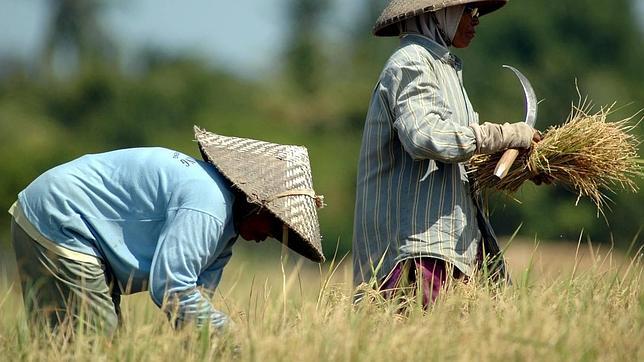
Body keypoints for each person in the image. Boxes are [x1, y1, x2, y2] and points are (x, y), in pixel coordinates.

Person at [9, 127, 325, 335]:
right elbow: (171, 289)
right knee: (94, 343)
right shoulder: (207, 206)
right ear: (255, 203)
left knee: (91, 343)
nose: (265, 237)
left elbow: (191, 312)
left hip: (71, 228)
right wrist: (237, 338)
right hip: (60, 218)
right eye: (272, 225)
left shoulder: (225, 234)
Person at [352, 0, 540, 306]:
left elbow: (463, 156)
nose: (476, 20)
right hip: (415, 250)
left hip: (450, 244)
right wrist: (504, 134)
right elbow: (425, 137)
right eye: (469, 11)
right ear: (438, 13)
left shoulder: (445, 68)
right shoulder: (411, 62)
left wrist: (528, 165)